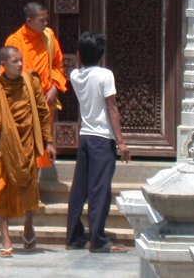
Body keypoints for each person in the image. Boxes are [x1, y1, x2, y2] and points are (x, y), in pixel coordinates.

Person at [0, 46, 57, 257]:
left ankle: (29, 224)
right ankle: (5, 238)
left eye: (21, 60)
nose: (21, 64)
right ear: (4, 65)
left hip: (27, 145)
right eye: (15, 61)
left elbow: (41, 111)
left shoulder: (31, 82)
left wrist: (48, 142)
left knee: (29, 191)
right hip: (3, 148)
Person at [65, 32, 130, 253]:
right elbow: (112, 108)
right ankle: (97, 239)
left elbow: (79, 67)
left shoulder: (75, 75)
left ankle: (73, 236)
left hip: (85, 136)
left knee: (80, 189)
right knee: (99, 189)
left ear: (80, 54)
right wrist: (121, 142)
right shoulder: (105, 75)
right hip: (102, 138)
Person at [3, 2, 67, 167]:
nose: (46, 23)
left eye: (46, 19)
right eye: (42, 20)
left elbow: (58, 65)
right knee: (21, 154)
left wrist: (54, 86)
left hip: (43, 104)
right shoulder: (15, 41)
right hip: (21, 105)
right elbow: (6, 75)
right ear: (29, 21)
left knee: (39, 155)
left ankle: (32, 191)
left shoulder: (49, 37)